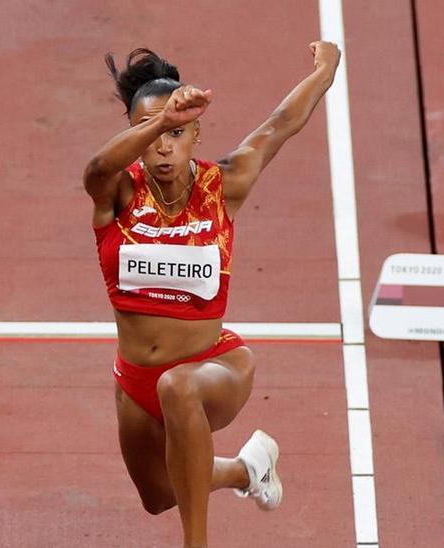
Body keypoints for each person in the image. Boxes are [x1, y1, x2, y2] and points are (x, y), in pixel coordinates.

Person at [84, 42, 340, 546]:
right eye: (150, 133)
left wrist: (325, 70)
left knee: (177, 388)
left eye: (176, 133)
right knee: (159, 496)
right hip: (134, 378)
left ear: (195, 132)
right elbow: (95, 166)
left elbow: (281, 123)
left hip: (213, 369)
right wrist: (161, 120)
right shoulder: (117, 193)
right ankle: (248, 471)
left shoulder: (222, 186)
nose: (163, 146)